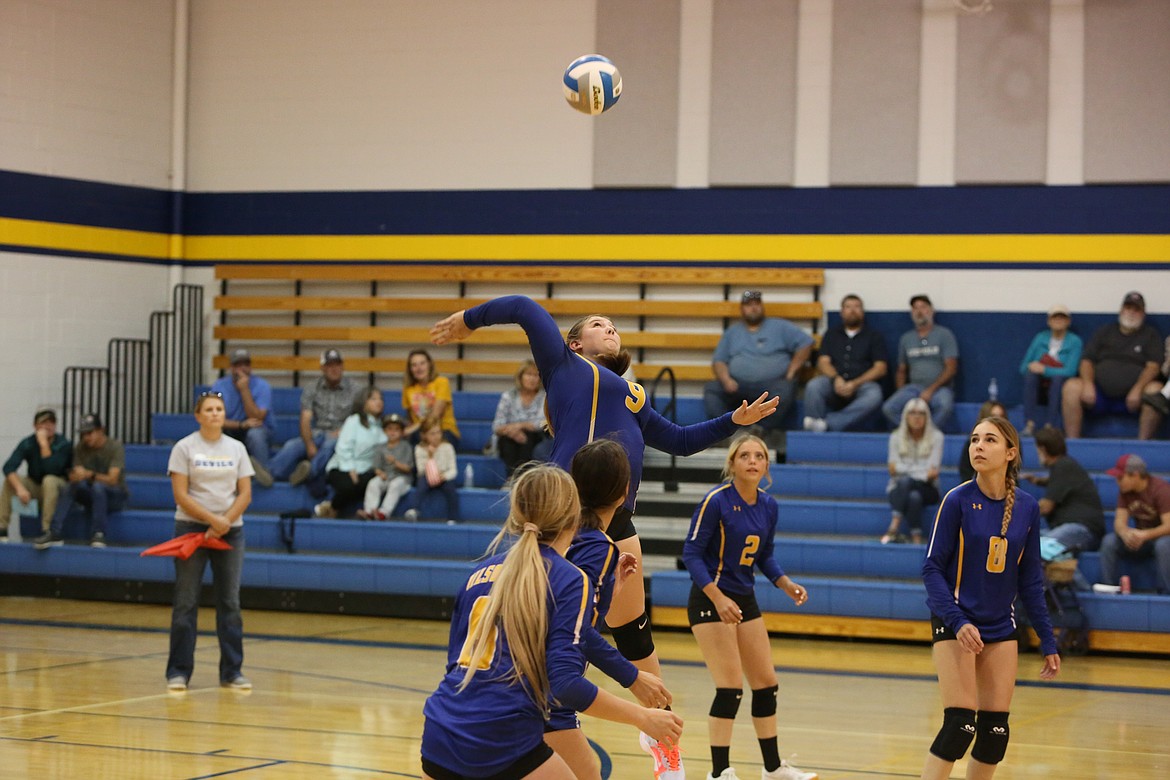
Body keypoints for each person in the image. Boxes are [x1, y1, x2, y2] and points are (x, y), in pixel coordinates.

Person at [431, 295, 777, 776]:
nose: (610, 328)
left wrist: (732, 422)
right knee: (566, 631)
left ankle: (660, 737)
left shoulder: (634, 394)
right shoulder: (563, 365)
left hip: (616, 522)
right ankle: (557, 711)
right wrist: (468, 321)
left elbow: (677, 441)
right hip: (565, 514)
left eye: (614, 324)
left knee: (634, 636)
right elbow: (524, 307)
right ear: (575, 342)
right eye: (598, 324)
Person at [419, 464, 683, 779]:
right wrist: (642, 717)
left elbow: (456, 665)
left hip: (440, 729)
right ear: (574, 514)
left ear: (516, 515)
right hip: (501, 737)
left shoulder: (478, 574)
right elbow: (566, 684)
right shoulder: (569, 577)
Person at [920, 415, 1060, 780]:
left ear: (1011, 452)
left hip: (1000, 624)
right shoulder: (957, 500)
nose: (978, 446)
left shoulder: (1027, 507)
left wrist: (1048, 640)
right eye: (974, 440)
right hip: (955, 619)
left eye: (989, 440)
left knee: (995, 732)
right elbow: (931, 569)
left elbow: (1030, 579)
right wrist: (957, 621)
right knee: (960, 725)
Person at [682, 434, 817, 780]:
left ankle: (773, 768)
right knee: (730, 688)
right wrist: (717, 597)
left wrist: (784, 583)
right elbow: (692, 554)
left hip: (743, 597)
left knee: (766, 684)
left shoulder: (769, 505)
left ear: (767, 466)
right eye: (745, 455)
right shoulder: (716, 501)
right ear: (732, 464)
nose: (753, 460)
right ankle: (719, 772)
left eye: (760, 456)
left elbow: (764, 555)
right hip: (710, 597)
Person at [546, 439, 674, 780]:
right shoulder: (598, 545)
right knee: (586, 771)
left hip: (525, 677)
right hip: (546, 684)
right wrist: (632, 678)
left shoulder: (564, 534)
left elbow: (568, 605)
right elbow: (575, 628)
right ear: (624, 492)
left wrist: (610, 587)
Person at [165, 391, 253, 692]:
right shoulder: (184, 448)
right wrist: (211, 520)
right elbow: (181, 494)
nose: (215, 413)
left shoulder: (237, 448)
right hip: (191, 529)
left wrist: (225, 520)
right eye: (209, 409)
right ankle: (178, 671)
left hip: (231, 531)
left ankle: (232, 671)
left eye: (219, 409)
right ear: (198, 415)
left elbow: (245, 493)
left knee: (230, 602)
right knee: (186, 602)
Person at [703, 290, 813, 446]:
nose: (753, 308)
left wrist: (792, 370)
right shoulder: (732, 333)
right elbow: (719, 361)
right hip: (737, 385)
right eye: (748, 305)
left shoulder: (780, 326)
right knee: (712, 389)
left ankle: (760, 430)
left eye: (757, 304)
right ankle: (726, 433)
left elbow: (806, 343)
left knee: (786, 388)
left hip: (772, 384)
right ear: (742, 309)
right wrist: (726, 379)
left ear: (762, 306)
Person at [1061, 291, 1164, 440]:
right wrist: (1088, 384)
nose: (1131, 313)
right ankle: (1072, 443)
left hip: (1135, 397)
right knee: (1071, 387)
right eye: (1128, 308)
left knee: (1156, 390)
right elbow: (1087, 360)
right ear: (1121, 310)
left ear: (1143, 313)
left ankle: (1143, 446)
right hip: (1099, 395)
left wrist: (1138, 388)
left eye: (1136, 310)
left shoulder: (1150, 335)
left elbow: (1153, 366)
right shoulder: (1105, 331)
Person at [267, 348, 359, 491]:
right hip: (318, 433)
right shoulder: (312, 388)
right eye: (329, 365)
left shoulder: (355, 389)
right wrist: (309, 444)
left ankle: (308, 473)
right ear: (322, 368)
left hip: (341, 434)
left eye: (337, 365)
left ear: (342, 367)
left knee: (330, 445)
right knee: (293, 445)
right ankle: (270, 474)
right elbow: (305, 418)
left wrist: (343, 431)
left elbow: (358, 419)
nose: (334, 369)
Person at [34, 413, 127, 549]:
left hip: (115, 495)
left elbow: (113, 480)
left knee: (98, 487)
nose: (86, 437)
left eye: (89, 433)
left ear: (101, 430)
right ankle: (55, 531)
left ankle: (98, 533)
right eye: (83, 434)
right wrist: (75, 476)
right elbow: (76, 473)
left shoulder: (115, 447)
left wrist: (89, 475)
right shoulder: (81, 447)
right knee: (70, 487)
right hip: (91, 493)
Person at [802, 293, 888, 433]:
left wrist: (855, 384)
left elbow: (880, 368)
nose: (853, 310)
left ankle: (828, 424)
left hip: (861, 385)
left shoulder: (874, 336)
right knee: (814, 386)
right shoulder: (831, 334)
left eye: (857, 307)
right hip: (835, 382)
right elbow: (823, 362)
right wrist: (836, 379)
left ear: (862, 312)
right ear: (842, 312)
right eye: (848, 307)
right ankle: (813, 426)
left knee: (875, 394)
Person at [881, 295, 959, 431]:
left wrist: (931, 390)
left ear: (931, 311)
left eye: (923, 307)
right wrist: (901, 392)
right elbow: (901, 370)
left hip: (939, 389)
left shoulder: (944, 334)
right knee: (889, 408)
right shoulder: (906, 338)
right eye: (915, 308)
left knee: (945, 405)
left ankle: (927, 434)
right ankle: (912, 433)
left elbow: (951, 368)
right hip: (914, 388)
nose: (919, 311)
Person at [1024, 427, 1105, 554]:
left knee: (1041, 547)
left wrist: (1018, 516)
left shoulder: (1063, 467)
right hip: (1072, 528)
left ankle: (1073, 573)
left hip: (1082, 529)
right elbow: (1057, 482)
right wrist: (1037, 481)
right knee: (1024, 541)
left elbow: (1045, 507)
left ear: (1043, 449)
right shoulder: (1065, 466)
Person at [1096, 454, 1170, 593]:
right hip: (1142, 539)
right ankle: (1108, 588)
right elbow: (1119, 521)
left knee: (1163, 545)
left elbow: (1168, 526)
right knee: (1109, 541)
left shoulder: (1161, 490)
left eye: (1121, 477)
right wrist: (1125, 534)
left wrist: (1145, 535)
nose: (1118, 482)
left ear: (1135, 475)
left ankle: (1165, 593)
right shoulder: (1125, 492)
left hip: (1161, 538)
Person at [0, 408, 71, 541]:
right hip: (36, 486)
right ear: (35, 426)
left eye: (51, 423)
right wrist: (20, 489)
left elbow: (52, 469)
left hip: (59, 489)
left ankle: (48, 529)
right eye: (43, 423)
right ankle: (2, 527)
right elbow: (8, 466)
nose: (47, 426)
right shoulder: (28, 442)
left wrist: (44, 445)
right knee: (11, 480)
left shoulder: (63, 444)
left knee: (49, 480)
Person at [317, 387, 386, 519]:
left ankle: (330, 508)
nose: (379, 402)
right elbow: (343, 447)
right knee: (349, 486)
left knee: (370, 482)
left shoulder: (382, 426)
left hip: (367, 469)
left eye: (381, 399)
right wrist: (350, 468)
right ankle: (333, 510)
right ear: (363, 403)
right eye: (373, 399)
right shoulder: (354, 421)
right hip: (342, 466)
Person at [210, 348, 275, 487]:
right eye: (238, 365)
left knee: (255, 434)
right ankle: (227, 474)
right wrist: (240, 425)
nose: (242, 369)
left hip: (257, 429)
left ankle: (262, 473)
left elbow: (257, 417)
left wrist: (244, 390)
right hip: (232, 429)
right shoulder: (219, 386)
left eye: (246, 364)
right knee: (215, 433)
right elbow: (213, 419)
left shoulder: (262, 386)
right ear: (231, 368)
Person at [883, 398, 944, 545]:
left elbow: (932, 473)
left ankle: (894, 526)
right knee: (913, 496)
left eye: (921, 413)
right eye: (912, 413)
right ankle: (916, 539)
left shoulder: (937, 437)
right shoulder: (896, 437)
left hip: (929, 489)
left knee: (906, 481)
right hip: (898, 489)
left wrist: (904, 469)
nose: (917, 417)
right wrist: (921, 472)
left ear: (927, 416)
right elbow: (892, 469)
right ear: (905, 416)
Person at [1018, 305, 1082, 436]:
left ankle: (1050, 426)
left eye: (1062, 318)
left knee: (1057, 379)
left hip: (1060, 385)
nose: (1058, 320)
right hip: (1039, 384)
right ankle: (1029, 424)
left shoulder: (1075, 341)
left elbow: (1071, 371)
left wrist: (1045, 369)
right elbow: (1024, 367)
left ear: (1068, 321)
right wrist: (1033, 367)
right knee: (1031, 376)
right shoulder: (1040, 338)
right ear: (1049, 321)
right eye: (1055, 317)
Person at [492, 359, 549, 476]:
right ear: (520, 377)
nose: (532, 379)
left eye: (536, 375)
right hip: (508, 436)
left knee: (527, 439)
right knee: (508, 441)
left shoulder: (544, 397)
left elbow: (541, 423)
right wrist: (512, 432)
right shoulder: (508, 396)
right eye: (528, 375)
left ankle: (523, 478)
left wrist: (519, 426)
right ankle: (512, 478)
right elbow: (497, 426)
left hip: (535, 436)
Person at [359, 413, 414, 520]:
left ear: (402, 432)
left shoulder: (406, 447)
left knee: (395, 485)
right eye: (389, 429)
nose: (392, 432)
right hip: (386, 477)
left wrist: (395, 462)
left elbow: (408, 468)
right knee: (373, 483)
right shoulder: (380, 447)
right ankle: (370, 511)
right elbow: (376, 467)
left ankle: (384, 512)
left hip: (402, 479)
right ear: (384, 431)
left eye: (396, 429)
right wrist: (380, 473)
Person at [403, 349, 461, 448]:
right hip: (420, 433)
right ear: (410, 369)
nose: (419, 368)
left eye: (422, 363)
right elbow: (410, 418)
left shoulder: (442, 382)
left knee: (421, 438)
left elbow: (435, 414)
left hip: (443, 430)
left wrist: (414, 428)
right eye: (414, 365)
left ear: (429, 365)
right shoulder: (408, 389)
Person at [403, 421, 460, 522]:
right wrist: (430, 456)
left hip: (444, 477)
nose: (436, 436)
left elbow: (453, 470)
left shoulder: (448, 447)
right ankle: (414, 509)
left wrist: (444, 476)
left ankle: (453, 517)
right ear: (424, 435)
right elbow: (421, 470)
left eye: (438, 432)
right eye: (432, 434)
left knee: (451, 489)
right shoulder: (419, 448)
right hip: (427, 476)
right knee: (421, 482)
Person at [957, 400, 1007, 483]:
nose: (998, 420)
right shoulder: (971, 442)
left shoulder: (1012, 442)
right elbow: (965, 470)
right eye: (994, 416)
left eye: (1001, 416)